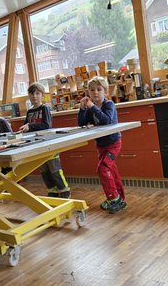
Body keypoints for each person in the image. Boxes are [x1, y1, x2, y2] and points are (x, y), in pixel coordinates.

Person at [77, 76, 126, 214]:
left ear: (105, 92)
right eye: (92, 90)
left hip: (113, 143)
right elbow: (81, 123)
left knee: (103, 169)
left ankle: (113, 198)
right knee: (112, 171)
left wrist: (92, 107)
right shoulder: (90, 108)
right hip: (101, 145)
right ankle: (121, 200)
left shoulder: (109, 104)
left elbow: (107, 121)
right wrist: (82, 109)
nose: (95, 92)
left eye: (99, 89)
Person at [19, 82, 70, 198]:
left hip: (49, 144)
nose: (34, 96)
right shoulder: (29, 112)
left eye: (37, 93)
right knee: (44, 171)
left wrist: (30, 127)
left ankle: (64, 190)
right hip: (37, 145)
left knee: (55, 170)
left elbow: (46, 125)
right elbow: (26, 125)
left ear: (43, 95)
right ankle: (52, 190)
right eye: (32, 93)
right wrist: (23, 129)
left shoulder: (45, 108)